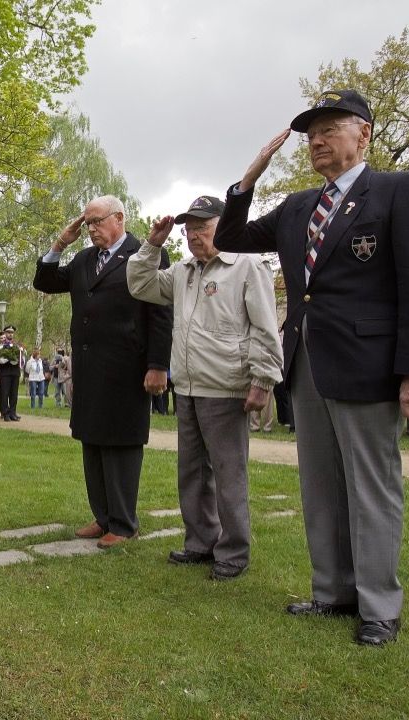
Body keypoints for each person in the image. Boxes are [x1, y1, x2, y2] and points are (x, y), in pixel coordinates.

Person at [213, 89, 409, 645]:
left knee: (371, 487)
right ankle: (333, 593)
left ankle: (379, 607)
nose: (316, 141)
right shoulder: (299, 206)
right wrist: (248, 181)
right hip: (309, 364)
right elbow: (230, 238)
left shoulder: (396, 191)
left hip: (369, 365)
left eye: (329, 129)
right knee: (320, 486)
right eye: (310, 133)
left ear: (363, 133)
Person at [128, 195, 282, 580]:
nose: (194, 235)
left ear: (223, 225)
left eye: (203, 227)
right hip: (189, 386)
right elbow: (140, 283)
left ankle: (233, 553)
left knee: (229, 475)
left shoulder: (246, 265)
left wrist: (263, 380)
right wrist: (154, 244)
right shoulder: (183, 271)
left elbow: (265, 328)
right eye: (190, 228)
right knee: (192, 472)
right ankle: (200, 542)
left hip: (227, 386)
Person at [34, 194, 173, 549]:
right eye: (88, 223)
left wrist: (158, 365)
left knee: (122, 443)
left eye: (97, 221)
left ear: (119, 218)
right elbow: (46, 282)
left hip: (128, 366)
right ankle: (102, 517)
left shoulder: (146, 254)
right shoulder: (83, 259)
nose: (91, 229)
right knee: (92, 442)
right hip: (90, 367)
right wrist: (60, 243)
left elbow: (160, 315)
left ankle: (123, 523)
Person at [0, 327, 22, 421]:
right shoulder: (2, 346)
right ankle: (5, 413)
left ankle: (12, 413)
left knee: (14, 394)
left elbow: (21, 357)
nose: (10, 334)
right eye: (8, 332)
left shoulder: (17, 345)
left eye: (12, 333)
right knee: (5, 394)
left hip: (15, 372)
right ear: (5, 333)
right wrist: (7, 359)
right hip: (5, 373)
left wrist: (18, 359)